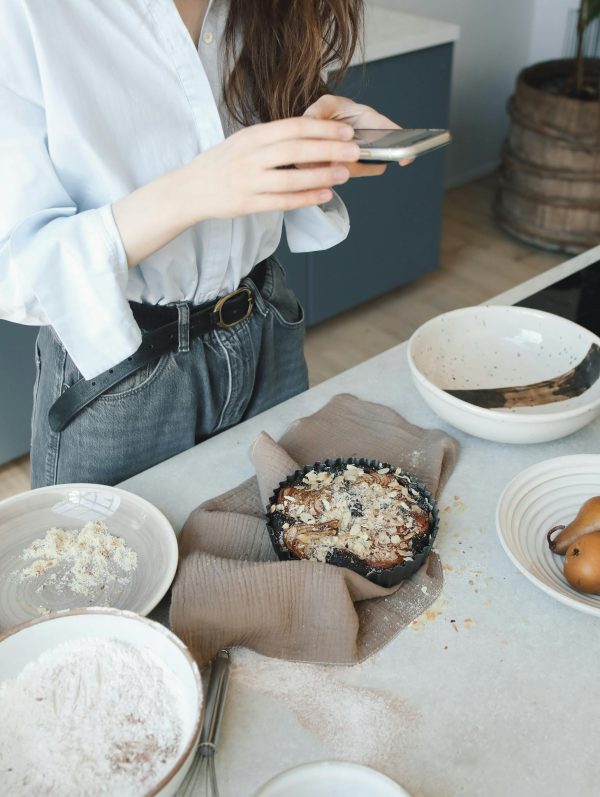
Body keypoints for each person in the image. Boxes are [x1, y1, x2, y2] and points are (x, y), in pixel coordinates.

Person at [0, 0, 404, 488]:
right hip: (120, 371)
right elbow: (17, 271)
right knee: (105, 559)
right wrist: (193, 190)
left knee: (277, 548)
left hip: (266, 329)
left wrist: (316, 136)